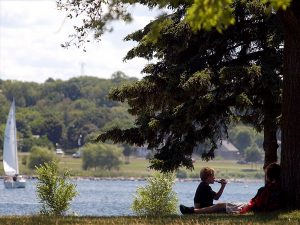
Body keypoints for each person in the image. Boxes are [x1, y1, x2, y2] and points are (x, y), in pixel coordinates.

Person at [180, 162, 283, 214]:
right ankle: (192, 211)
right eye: (213, 176)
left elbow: (254, 203)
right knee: (222, 205)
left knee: (224, 205)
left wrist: (223, 186)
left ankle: (192, 211)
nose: (215, 178)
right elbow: (216, 197)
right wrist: (223, 186)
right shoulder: (204, 186)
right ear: (208, 177)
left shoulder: (204, 185)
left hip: (248, 207)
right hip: (204, 208)